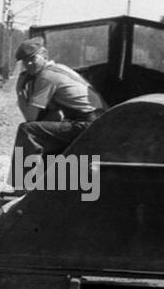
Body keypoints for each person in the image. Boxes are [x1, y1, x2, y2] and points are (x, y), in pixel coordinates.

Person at [10, 39, 100, 186]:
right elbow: (54, 115)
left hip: (88, 124)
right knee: (43, 130)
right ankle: (46, 181)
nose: (29, 64)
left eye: (33, 59)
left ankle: (23, 186)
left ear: (44, 55)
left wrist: (20, 90)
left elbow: (30, 118)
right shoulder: (59, 68)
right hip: (97, 122)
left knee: (27, 131)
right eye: (25, 62)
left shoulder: (46, 77)